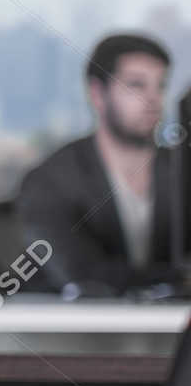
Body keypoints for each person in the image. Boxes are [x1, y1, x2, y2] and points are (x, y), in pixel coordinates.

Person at [16, 33, 178, 295]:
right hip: (84, 331)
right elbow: (84, 277)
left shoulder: (181, 171)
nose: (153, 100)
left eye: (160, 86)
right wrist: (172, 280)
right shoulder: (51, 182)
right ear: (97, 93)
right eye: (136, 85)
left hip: (173, 329)